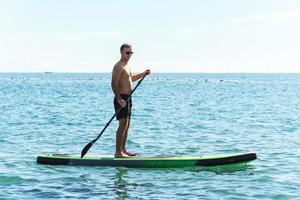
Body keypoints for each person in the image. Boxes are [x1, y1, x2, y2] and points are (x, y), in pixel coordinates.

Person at [111, 43, 150, 158]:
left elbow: (130, 79)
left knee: (127, 125)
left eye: (131, 53)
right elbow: (114, 83)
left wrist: (143, 74)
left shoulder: (127, 66)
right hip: (121, 98)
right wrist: (119, 99)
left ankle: (123, 150)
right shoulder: (118, 66)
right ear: (121, 52)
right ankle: (118, 153)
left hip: (128, 98)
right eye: (127, 52)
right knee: (122, 125)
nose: (129, 55)